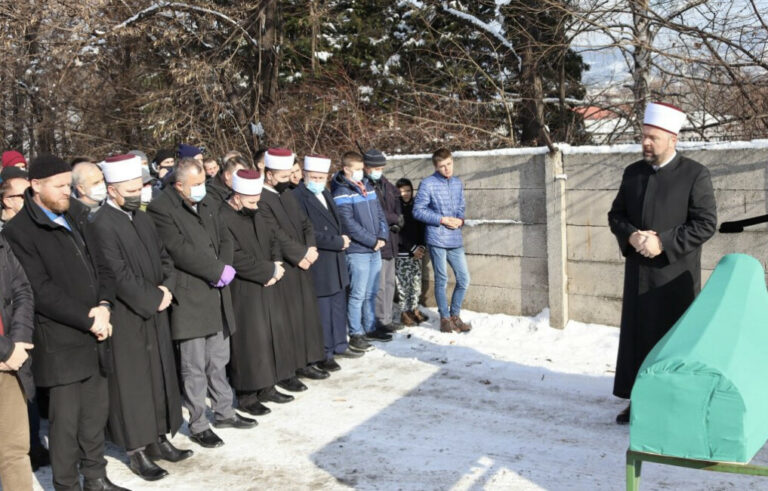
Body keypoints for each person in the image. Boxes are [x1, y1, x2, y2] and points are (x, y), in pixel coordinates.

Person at [3, 154, 128, 491]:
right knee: (65, 424)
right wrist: (88, 319)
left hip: (97, 330)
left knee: (94, 415)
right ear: (35, 186)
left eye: (69, 185)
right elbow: (39, 290)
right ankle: (67, 484)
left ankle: (96, 477)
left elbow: (103, 265)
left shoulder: (77, 213)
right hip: (60, 340)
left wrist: (104, 306)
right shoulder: (20, 232)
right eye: (59, 187)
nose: (66, 192)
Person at [608, 102, 717, 424]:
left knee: (671, 340)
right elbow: (616, 215)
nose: (645, 143)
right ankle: (638, 399)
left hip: (674, 277)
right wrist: (630, 236)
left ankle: (673, 403)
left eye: (653, 137)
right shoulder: (633, 173)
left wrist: (663, 242)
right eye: (643, 136)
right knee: (638, 338)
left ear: (673, 138)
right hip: (637, 273)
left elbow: (705, 223)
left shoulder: (695, 174)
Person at [91, 155, 191, 481]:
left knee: (160, 377)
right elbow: (115, 273)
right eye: (131, 189)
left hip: (156, 310)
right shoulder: (101, 223)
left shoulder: (142, 216)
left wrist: (167, 289)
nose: (139, 193)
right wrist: (152, 298)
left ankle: (160, 437)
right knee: (133, 384)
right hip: (129, 316)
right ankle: (137, 449)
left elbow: (165, 257)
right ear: (112, 190)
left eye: (141, 187)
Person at [147, 157, 255, 449]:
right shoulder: (162, 208)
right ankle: (198, 423)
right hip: (191, 294)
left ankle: (224, 410)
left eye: (203, 184)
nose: (200, 189)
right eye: (194, 185)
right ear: (179, 185)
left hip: (218, 291)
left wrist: (225, 268)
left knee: (219, 358)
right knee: (193, 366)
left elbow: (224, 238)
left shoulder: (207, 202)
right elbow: (178, 250)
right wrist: (215, 271)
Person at [220, 169, 297, 414]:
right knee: (249, 342)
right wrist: (266, 271)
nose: (255, 205)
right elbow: (233, 256)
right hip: (244, 288)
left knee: (269, 336)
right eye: (251, 201)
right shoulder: (223, 216)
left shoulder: (257, 211)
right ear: (236, 196)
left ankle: (268, 386)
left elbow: (273, 239)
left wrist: (276, 265)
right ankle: (247, 395)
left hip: (268, 281)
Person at [259, 148, 329, 392]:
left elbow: (305, 223)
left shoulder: (287, 194)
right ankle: (289, 369)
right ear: (269, 175)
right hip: (287, 266)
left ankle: (307, 360)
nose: (289, 180)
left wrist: (310, 247)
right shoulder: (261, 198)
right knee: (288, 320)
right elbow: (274, 234)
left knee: (305, 316)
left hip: (303, 262)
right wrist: (299, 254)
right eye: (283, 176)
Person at [294, 155, 363, 369]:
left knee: (337, 305)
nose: (317, 180)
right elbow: (306, 232)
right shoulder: (298, 196)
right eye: (313, 176)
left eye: (321, 177)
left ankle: (339, 344)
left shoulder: (325, 192)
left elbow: (337, 221)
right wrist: (336, 241)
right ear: (305, 175)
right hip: (321, 260)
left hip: (336, 258)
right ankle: (325, 352)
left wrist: (343, 238)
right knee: (323, 310)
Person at [331, 152, 391, 350]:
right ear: (347, 169)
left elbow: (380, 212)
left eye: (361, 168)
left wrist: (382, 236)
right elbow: (348, 222)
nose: (360, 172)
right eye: (356, 169)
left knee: (371, 291)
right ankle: (356, 331)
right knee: (358, 293)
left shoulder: (367, 186)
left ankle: (370, 326)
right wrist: (371, 240)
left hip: (375, 248)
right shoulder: (341, 191)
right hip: (358, 250)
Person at [413, 148, 472, 334]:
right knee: (442, 279)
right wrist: (442, 219)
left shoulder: (457, 183)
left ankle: (455, 315)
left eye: (449, 164)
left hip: (455, 237)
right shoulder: (428, 184)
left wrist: (460, 220)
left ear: (452, 161)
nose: (446, 169)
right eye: (442, 166)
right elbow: (418, 210)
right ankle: (445, 318)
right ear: (436, 167)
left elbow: (461, 207)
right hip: (437, 237)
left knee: (464, 279)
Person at [0, 233, 35, 491]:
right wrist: (5, 350)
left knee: (15, 451)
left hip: (11, 362)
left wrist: (18, 342)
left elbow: (22, 289)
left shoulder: (2, 243)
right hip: (6, 355)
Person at [363, 149, 403, 332]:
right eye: (376, 167)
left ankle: (386, 317)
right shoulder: (365, 185)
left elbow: (396, 202)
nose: (379, 171)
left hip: (392, 239)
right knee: (379, 284)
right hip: (378, 240)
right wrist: (394, 219)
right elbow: (375, 210)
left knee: (389, 282)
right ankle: (380, 319)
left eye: (381, 167)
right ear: (366, 167)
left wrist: (398, 220)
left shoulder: (386, 184)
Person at [395, 178, 427, 326]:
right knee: (403, 285)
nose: (405, 193)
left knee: (416, 284)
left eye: (407, 190)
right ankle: (404, 312)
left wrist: (421, 247)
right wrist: (412, 248)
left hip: (417, 253)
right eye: (401, 191)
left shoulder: (416, 206)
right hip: (403, 253)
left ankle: (414, 309)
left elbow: (422, 228)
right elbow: (397, 234)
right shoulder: (396, 208)